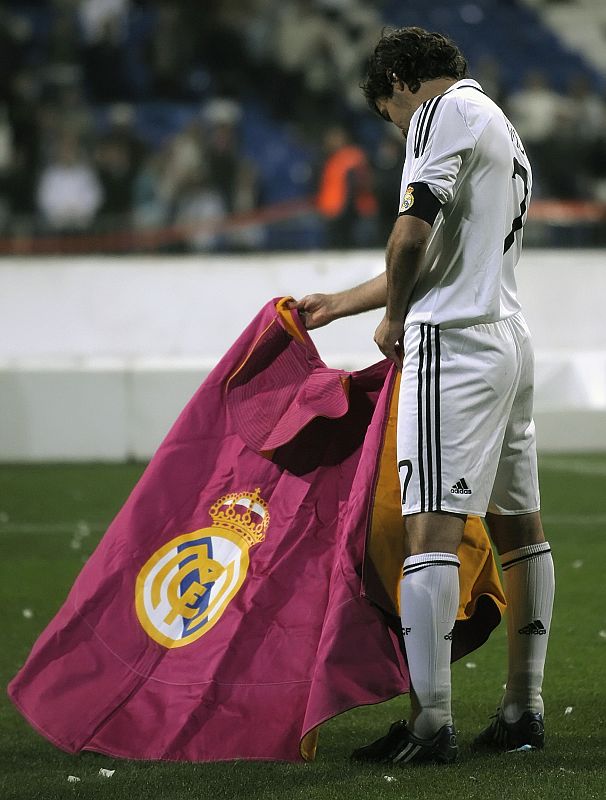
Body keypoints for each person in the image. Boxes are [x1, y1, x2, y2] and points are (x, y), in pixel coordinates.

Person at [291, 27, 555, 765]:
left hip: (456, 346)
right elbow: (441, 257)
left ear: (404, 81)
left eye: (390, 112)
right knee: (520, 528)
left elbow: (411, 241)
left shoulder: (438, 116)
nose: (397, 127)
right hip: (508, 336)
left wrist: (397, 317)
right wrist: (338, 305)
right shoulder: (498, 122)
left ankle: (431, 723)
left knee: (428, 534)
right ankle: (523, 710)